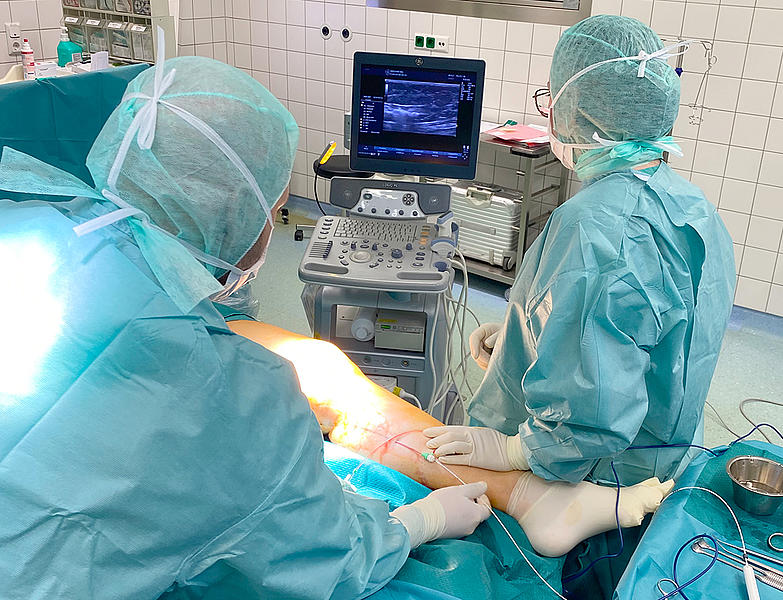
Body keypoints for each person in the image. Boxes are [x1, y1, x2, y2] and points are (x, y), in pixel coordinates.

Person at [0, 45, 672, 600]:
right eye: (270, 206)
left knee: (320, 366)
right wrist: (418, 521)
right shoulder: (227, 394)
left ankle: (531, 498)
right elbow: (325, 555)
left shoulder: (35, 216)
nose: (274, 220)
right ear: (240, 217)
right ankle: (531, 500)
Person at [422, 14, 736, 598]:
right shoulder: (690, 207)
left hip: (587, 481)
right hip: (657, 457)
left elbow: (592, 405)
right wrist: (525, 335)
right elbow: (639, 335)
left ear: (581, 113)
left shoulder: (596, 230)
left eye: (552, 100)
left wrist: (517, 449)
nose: (551, 115)